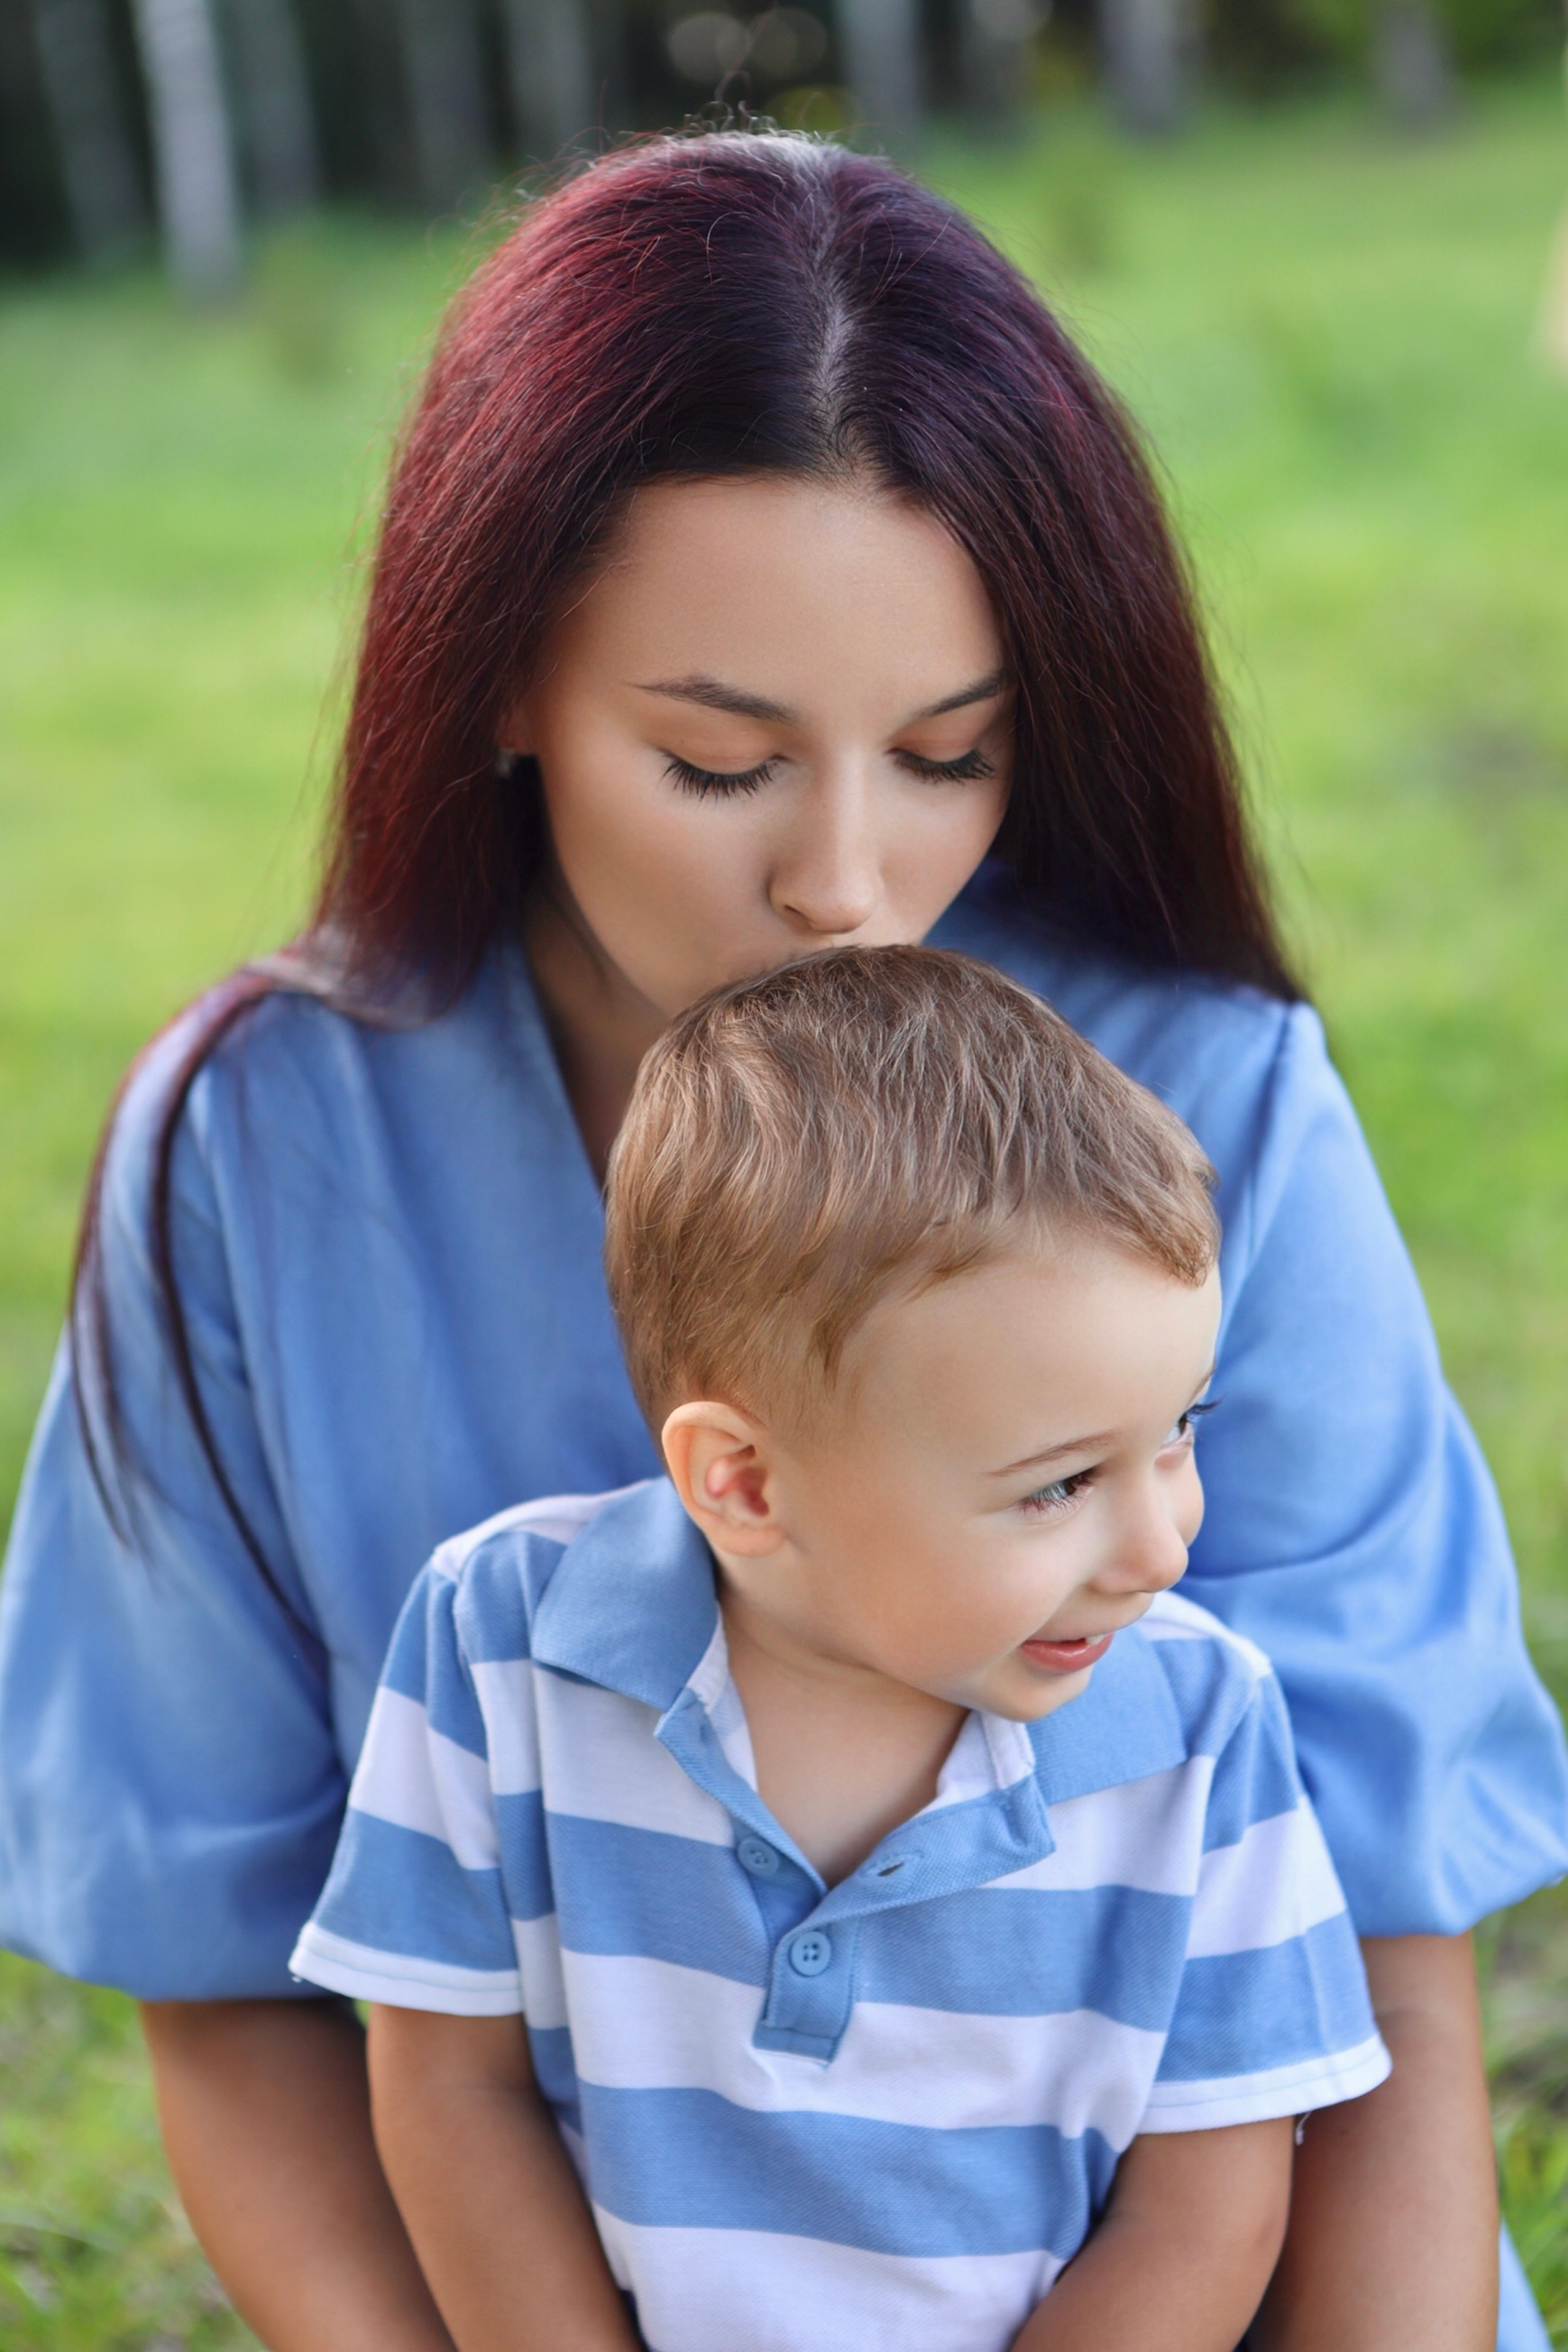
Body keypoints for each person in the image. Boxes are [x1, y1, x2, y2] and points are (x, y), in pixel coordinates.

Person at [0, 128, 1562, 2352]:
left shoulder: (1197, 1101)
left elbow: (1382, 1975)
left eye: (952, 754)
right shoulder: (258, 1156)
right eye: (722, 766)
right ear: (503, 688)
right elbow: (229, 1991)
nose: (850, 879)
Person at [292, 946, 1394, 2352]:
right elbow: (451, 2089)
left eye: (1177, 1431)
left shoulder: (1196, 1725)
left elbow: (1209, 2200)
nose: (1159, 1550)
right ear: (744, 1485)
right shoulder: (501, 1639)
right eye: (1057, 1484)